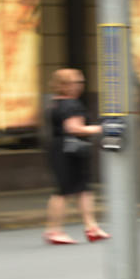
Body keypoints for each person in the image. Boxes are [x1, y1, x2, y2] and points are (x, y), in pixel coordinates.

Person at [43, 68, 109, 245]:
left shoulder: (54, 103)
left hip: (60, 149)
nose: (80, 86)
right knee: (64, 191)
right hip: (70, 151)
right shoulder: (72, 105)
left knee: (82, 189)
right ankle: (54, 230)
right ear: (65, 85)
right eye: (76, 82)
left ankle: (91, 226)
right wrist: (103, 129)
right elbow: (74, 128)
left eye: (80, 82)